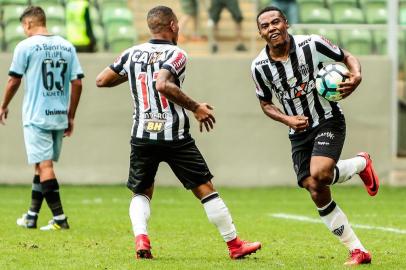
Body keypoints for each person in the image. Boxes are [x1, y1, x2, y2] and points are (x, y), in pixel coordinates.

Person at [96, 5, 261, 259]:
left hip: (142, 134)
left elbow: (102, 80)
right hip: (174, 135)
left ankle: (142, 239)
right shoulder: (177, 54)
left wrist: (133, 73)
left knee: (142, 191)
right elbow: (162, 83)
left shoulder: (132, 53)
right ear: (173, 26)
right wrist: (196, 107)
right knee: (205, 188)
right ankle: (235, 245)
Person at [251, 6, 379, 266]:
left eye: (276, 22)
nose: (272, 28)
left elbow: (347, 56)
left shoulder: (312, 44)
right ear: (260, 33)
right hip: (297, 131)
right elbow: (265, 104)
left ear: (286, 23)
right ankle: (358, 250)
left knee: (320, 173)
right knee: (314, 187)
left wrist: (357, 76)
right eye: (265, 26)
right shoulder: (259, 67)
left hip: (328, 120)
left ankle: (360, 164)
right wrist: (287, 119)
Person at [0, 6, 84, 230]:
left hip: (36, 116)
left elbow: (14, 80)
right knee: (40, 165)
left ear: (28, 24)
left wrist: (4, 105)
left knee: (44, 166)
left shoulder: (25, 46)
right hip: (59, 115)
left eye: (23, 27)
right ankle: (31, 216)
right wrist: (71, 115)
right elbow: (77, 82)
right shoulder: (67, 46)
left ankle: (59, 219)